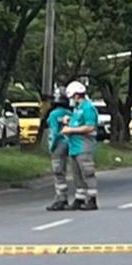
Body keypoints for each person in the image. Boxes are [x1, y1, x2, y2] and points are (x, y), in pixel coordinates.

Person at [59, 81, 99, 210]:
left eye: (72, 97)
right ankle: (79, 198)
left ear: (77, 95)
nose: (71, 100)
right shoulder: (77, 109)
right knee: (76, 175)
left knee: (87, 173)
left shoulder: (88, 108)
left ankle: (92, 199)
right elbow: (77, 123)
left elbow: (89, 126)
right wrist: (68, 121)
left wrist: (71, 130)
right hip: (74, 147)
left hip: (84, 146)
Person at [45, 94, 73, 210]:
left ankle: (61, 198)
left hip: (59, 144)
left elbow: (54, 132)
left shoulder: (53, 114)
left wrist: (52, 146)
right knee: (66, 170)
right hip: (70, 143)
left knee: (58, 172)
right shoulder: (70, 114)